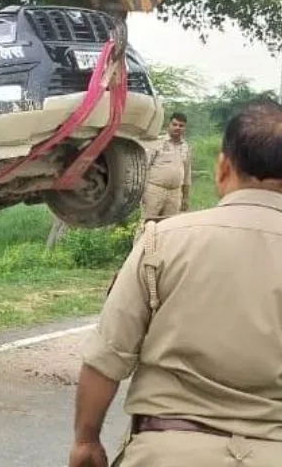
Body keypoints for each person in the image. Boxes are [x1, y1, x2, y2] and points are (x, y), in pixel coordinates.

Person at [68, 98, 282, 467]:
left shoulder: (161, 241)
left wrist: (86, 441)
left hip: (165, 452)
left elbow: (107, 356)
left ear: (223, 168)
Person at [142, 112, 192, 220]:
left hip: (175, 193)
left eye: (181, 126)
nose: (177, 128)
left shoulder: (186, 146)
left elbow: (187, 174)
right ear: (169, 125)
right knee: (148, 222)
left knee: (169, 224)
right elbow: (145, 167)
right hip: (155, 190)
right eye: (175, 124)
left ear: (185, 128)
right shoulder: (157, 142)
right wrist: (142, 192)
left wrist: (185, 198)